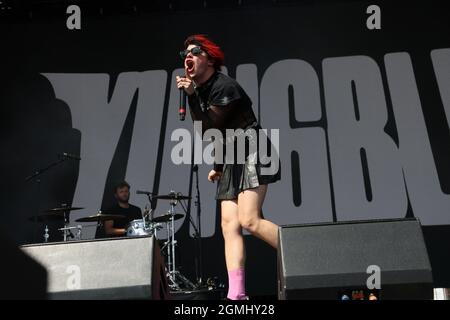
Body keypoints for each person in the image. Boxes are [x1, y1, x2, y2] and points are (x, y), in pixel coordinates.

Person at [176, 34, 281, 300]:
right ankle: (237, 295)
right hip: (232, 155)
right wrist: (219, 165)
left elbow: (213, 127)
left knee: (250, 220)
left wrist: (190, 96)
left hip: (252, 149)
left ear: (209, 59)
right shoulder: (200, 92)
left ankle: (304, 253)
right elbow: (211, 135)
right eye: (185, 53)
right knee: (228, 224)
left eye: (195, 52)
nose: (188, 56)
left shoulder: (225, 86)